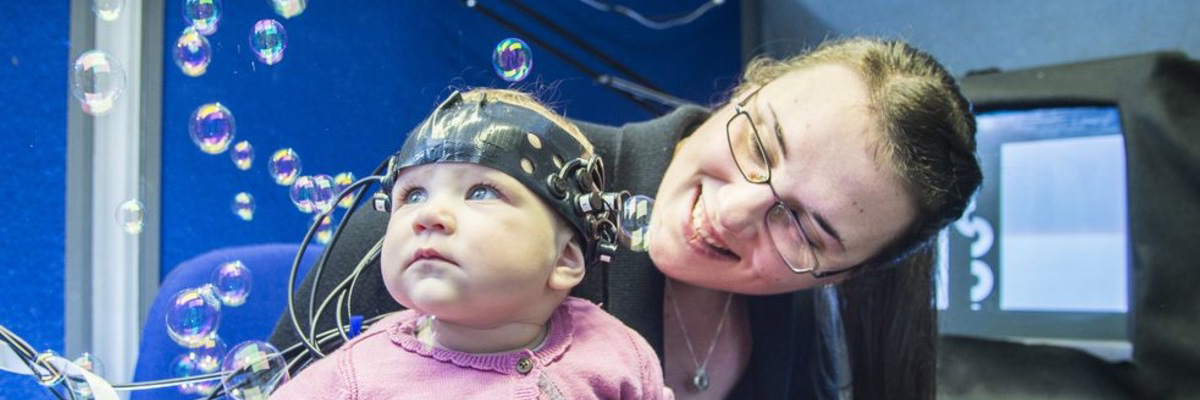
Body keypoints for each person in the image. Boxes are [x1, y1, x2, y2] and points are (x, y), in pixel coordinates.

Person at [270, 37, 981, 400]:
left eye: (803, 228)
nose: (730, 212)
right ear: (744, 88)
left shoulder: (799, 338)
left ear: (839, 275)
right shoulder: (479, 200)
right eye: (756, 141)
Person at [269, 89, 671, 399]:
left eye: (480, 193)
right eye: (412, 195)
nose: (429, 215)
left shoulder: (617, 352)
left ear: (564, 258)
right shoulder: (353, 375)